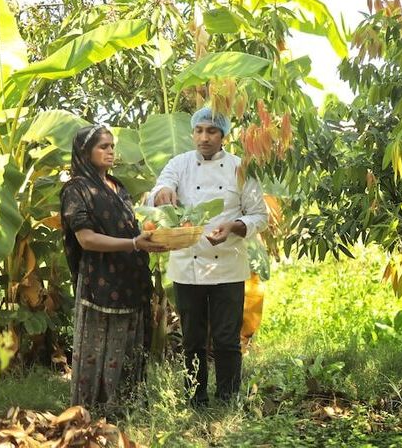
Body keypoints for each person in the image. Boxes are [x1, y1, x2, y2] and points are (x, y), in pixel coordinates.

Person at [146, 107, 268, 406]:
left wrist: (234, 226)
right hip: (188, 265)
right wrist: (162, 193)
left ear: (223, 135)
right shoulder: (180, 163)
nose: (204, 137)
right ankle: (195, 398)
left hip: (228, 266)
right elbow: (159, 189)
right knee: (193, 340)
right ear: (192, 133)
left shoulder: (241, 168)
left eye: (211, 131)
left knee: (227, 339)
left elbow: (259, 216)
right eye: (199, 131)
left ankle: (228, 398)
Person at [60, 124, 167, 411]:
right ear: (85, 152)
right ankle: (93, 408)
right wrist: (133, 244)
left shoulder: (118, 186)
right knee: (99, 345)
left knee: (128, 343)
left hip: (129, 278)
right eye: (102, 147)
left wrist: (150, 241)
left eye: (111, 146)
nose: (110, 151)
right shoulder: (76, 190)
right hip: (100, 282)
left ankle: (127, 405)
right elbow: (86, 239)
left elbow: (131, 228)